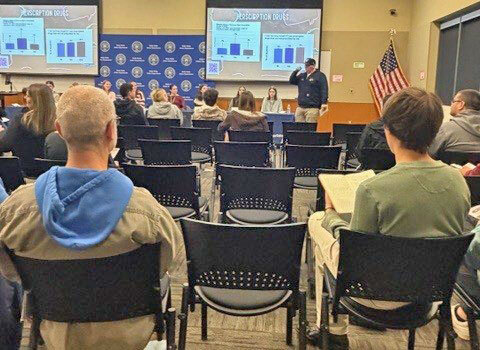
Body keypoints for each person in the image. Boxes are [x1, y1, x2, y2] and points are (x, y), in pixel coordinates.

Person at [0, 85, 181, 349]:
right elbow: (167, 263)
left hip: (54, 331)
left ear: (59, 131)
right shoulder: (147, 213)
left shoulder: (16, 211)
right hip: (128, 336)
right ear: (111, 132)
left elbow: (11, 272)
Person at [307, 87, 470, 349]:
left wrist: (331, 215)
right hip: (429, 295)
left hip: (372, 295)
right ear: (436, 131)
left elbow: (354, 253)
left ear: (388, 130)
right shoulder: (458, 182)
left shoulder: (373, 189)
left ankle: (333, 329)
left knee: (317, 221)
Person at [0, 84, 56, 176]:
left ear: (35, 99)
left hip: (24, 175)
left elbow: (5, 146)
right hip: (51, 176)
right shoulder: (59, 122)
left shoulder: (21, 120)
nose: (25, 97)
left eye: (28, 95)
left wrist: (2, 133)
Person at [429, 89, 480, 158]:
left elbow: (429, 155)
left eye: (453, 101)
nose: (451, 104)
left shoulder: (445, 130)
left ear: (461, 104)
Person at [356, 94, 392, 165]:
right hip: (395, 171)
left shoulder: (370, 127)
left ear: (383, 108)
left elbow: (360, 152)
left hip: (371, 170)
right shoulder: (404, 130)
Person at [289, 58, 328, 123]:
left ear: (313, 66)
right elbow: (292, 81)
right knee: (298, 128)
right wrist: (295, 71)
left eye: (308, 66)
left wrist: (324, 102)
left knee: (310, 128)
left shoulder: (320, 76)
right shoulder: (302, 75)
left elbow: (324, 89)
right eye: (305, 66)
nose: (306, 68)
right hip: (300, 107)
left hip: (313, 108)